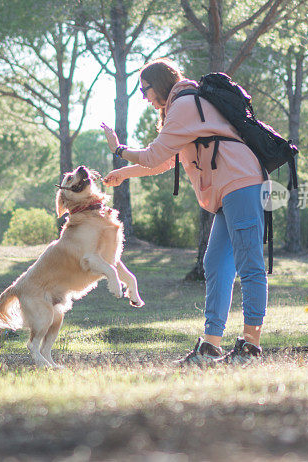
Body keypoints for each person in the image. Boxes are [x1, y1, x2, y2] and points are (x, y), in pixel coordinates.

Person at [101, 58, 267, 365]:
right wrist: (124, 173)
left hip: (241, 182)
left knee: (250, 264)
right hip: (226, 190)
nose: (144, 97)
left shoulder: (185, 104)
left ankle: (250, 348)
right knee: (216, 264)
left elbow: (154, 156)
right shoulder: (183, 107)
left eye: (145, 90)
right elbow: (165, 161)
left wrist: (118, 149)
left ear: (159, 84)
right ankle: (211, 346)